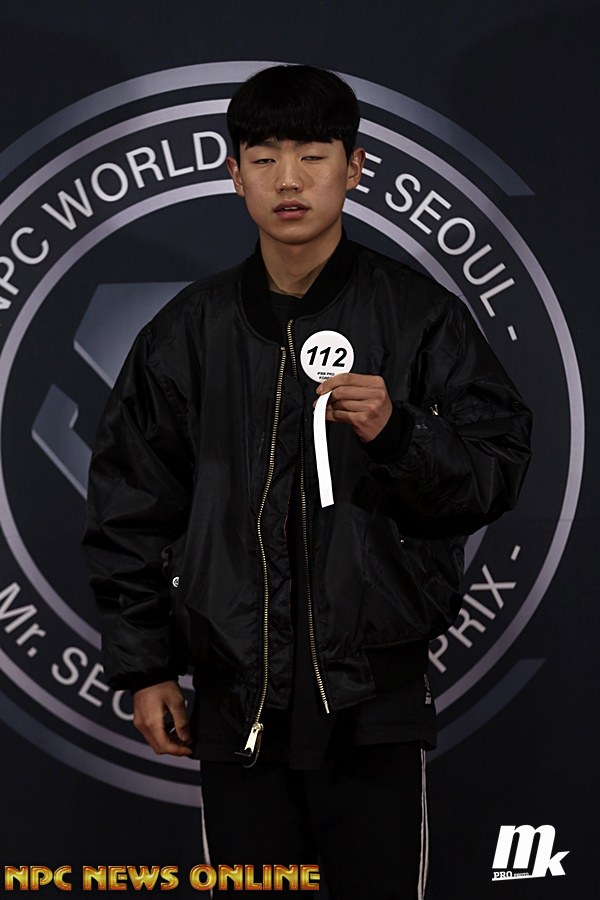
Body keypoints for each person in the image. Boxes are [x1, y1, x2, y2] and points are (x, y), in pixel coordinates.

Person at [83, 64, 532, 898]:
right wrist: (146, 668)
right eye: (264, 158)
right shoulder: (188, 333)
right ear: (234, 174)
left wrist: (400, 433)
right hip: (238, 704)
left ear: (354, 168)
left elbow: (493, 474)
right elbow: (129, 508)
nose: (288, 180)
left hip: (373, 700)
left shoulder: (419, 315)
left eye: (312, 156)